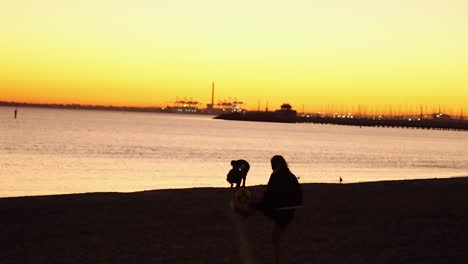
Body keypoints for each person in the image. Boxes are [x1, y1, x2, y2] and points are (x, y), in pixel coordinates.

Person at [255, 155, 302, 264]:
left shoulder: (275, 175)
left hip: (281, 209)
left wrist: (260, 202)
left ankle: (278, 261)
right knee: (277, 236)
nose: (271, 167)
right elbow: (299, 194)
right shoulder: (291, 176)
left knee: (275, 238)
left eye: (272, 164)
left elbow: (269, 195)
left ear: (274, 165)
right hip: (291, 210)